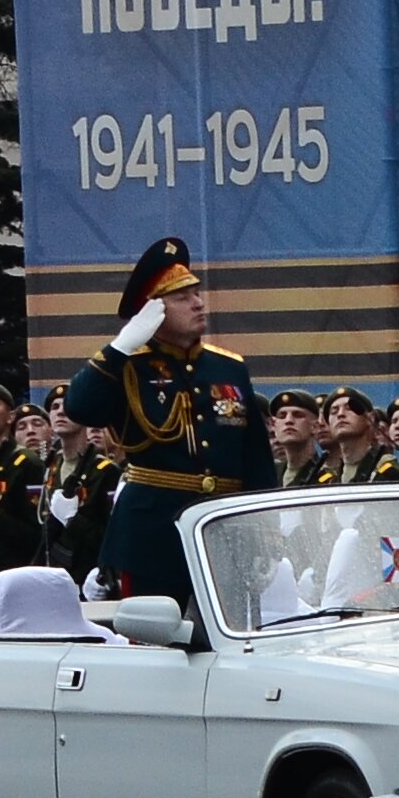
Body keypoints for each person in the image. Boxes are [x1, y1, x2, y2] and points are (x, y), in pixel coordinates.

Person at [59, 239, 272, 610]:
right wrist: (119, 348)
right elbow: (80, 409)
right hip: (153, 531)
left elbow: (255, 457)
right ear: (153, 311)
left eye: (196, 293)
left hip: (224, 530)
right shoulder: (127, 364)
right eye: (182, 297)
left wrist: (262, 532)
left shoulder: (229, 367)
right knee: (153, 644)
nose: (198, 303)